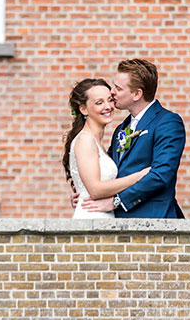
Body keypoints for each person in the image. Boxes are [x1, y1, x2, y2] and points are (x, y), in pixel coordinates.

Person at [75, 58, 186, 219]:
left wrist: (117, 201)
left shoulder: (167, 122)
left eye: (118, 88)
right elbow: (110, 171)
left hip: (153, 219)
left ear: (137, 94)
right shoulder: (121, 128)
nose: (112, 92)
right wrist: (84, 193)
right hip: (118, 221)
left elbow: (161, 174)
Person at [63, 78, 150, 220]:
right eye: (99, 103)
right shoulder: (85, 140)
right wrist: (140, 176)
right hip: (92, 217)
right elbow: (96, 190)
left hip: (105, 215)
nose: (108, 106)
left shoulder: (99, 142)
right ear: (83, 109)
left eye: (109, 100)